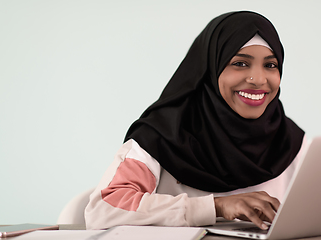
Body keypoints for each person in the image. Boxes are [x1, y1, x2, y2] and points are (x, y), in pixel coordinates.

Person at [85, 11, 305, 231]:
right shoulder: (161, 137)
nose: (258, 79)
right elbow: (103, 210)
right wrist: (214, 207)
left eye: (270, 65)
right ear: (210, 68)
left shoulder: (291, 143)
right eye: (240, 63)